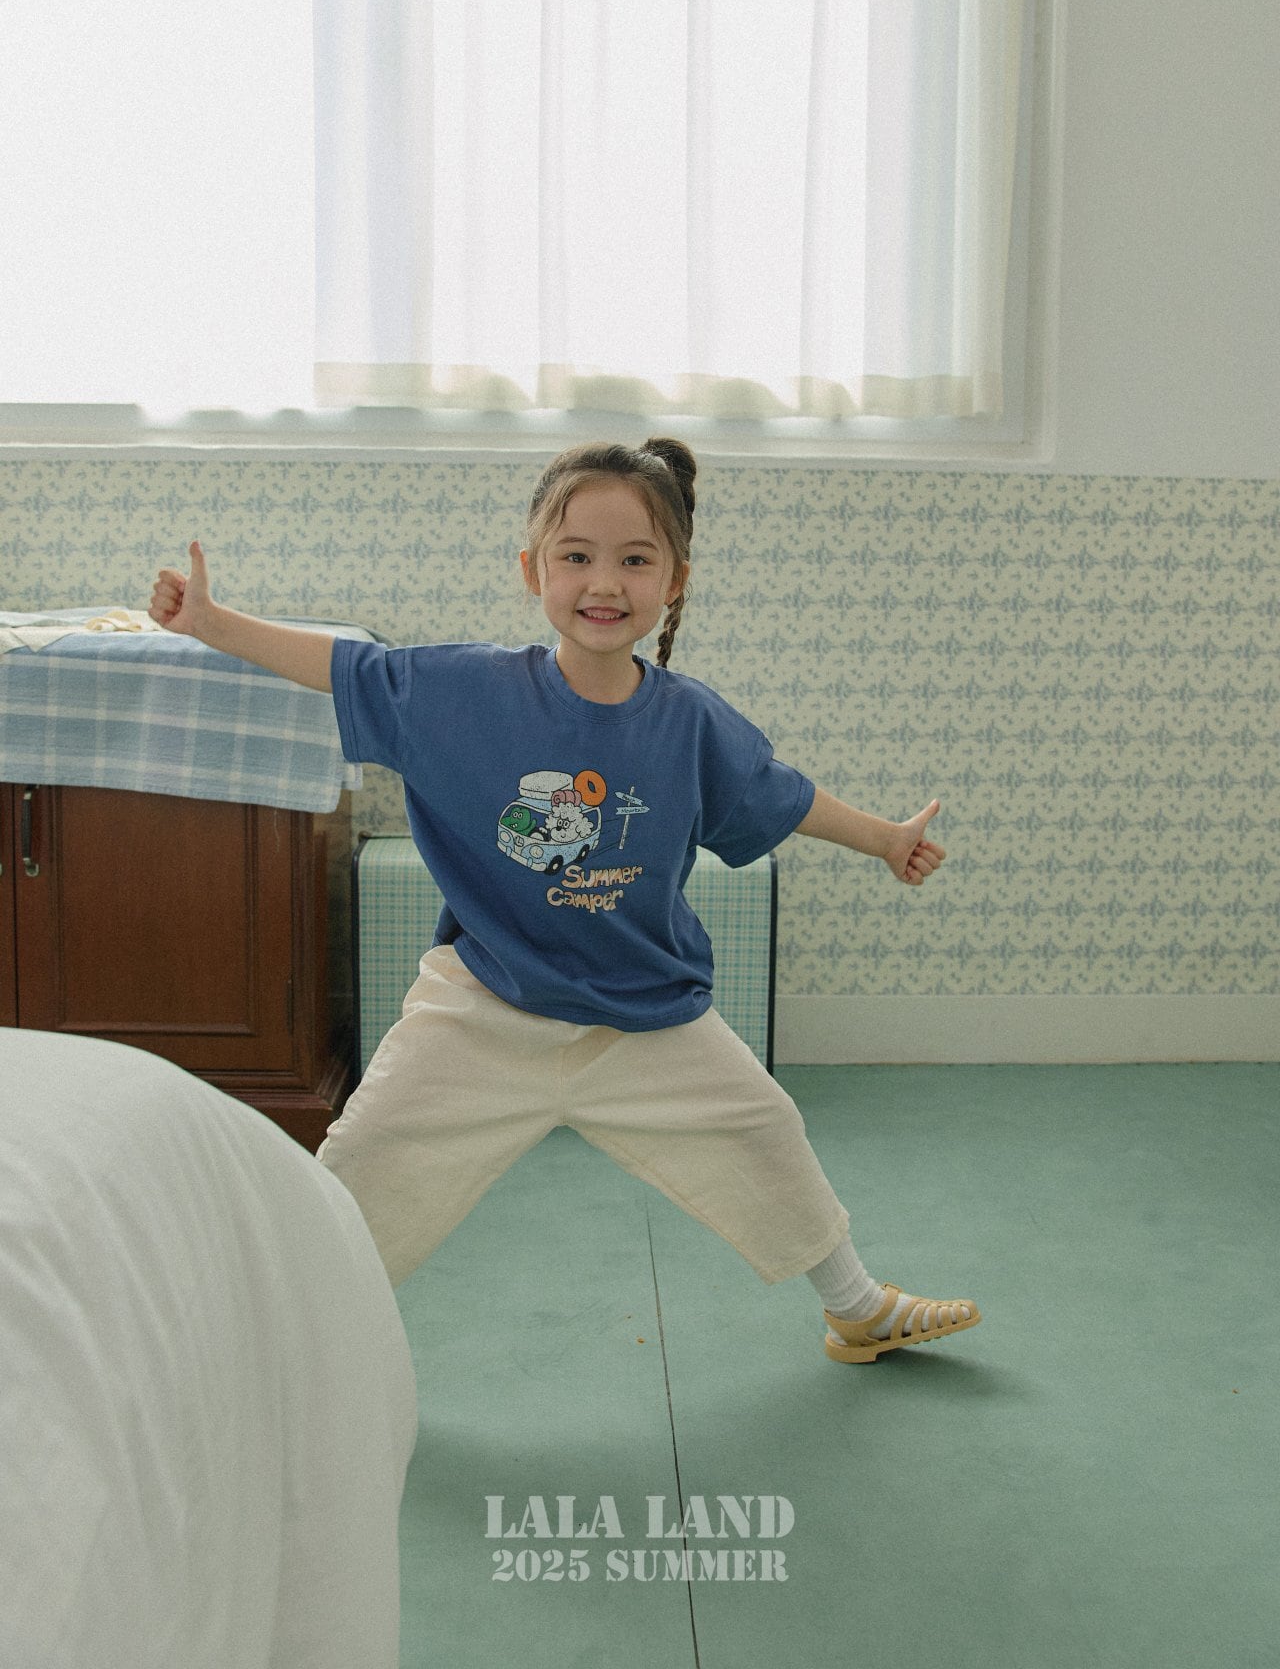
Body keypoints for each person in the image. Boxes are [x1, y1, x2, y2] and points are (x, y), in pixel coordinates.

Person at [148, 438, 979, 1364]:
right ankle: (268, 1339)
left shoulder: (690, 721)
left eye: (636, 560)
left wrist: (885, 838)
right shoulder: (464, 692)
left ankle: (857, 1309)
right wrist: (212, 622)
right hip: (487, 1006)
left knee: (765, 1130)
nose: (604, 582)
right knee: (361, 1163)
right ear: (532, 569)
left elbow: (781, 797)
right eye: (576, 555)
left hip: (642, 1011)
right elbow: (346, 667)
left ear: (675, 581)